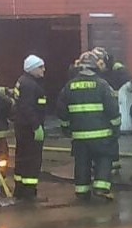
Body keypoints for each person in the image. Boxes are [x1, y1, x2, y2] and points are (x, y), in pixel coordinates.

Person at [56, 52, 121, 200]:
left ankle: (82, 190)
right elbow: (113, 110)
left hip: (79, 136)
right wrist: (116, 129)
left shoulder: (69, 86)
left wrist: (66, 128)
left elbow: (61, 110)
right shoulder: (102, 85)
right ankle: (101, 188)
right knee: (105, 158)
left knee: (82, 162)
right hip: (102, 135)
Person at [92, 47, 132, 176]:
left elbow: (126, 77)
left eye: (101, 61)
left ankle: (113, 164)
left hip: (110, 106)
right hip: (99, 108)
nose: (99, 64)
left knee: (112, 137)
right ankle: (101, 164)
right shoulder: (93, 70)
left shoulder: (117, 68)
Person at [13, 55, 48, 201]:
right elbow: (27, 107)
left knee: (22, 158)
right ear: (32, 68)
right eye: (40, 67)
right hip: (29, 129)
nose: (43, 69)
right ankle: (29, 192)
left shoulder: (23, 81)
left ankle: (20, 190)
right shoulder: (30, 85)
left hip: (22, 127)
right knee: (32, 160)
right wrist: (36, 126)